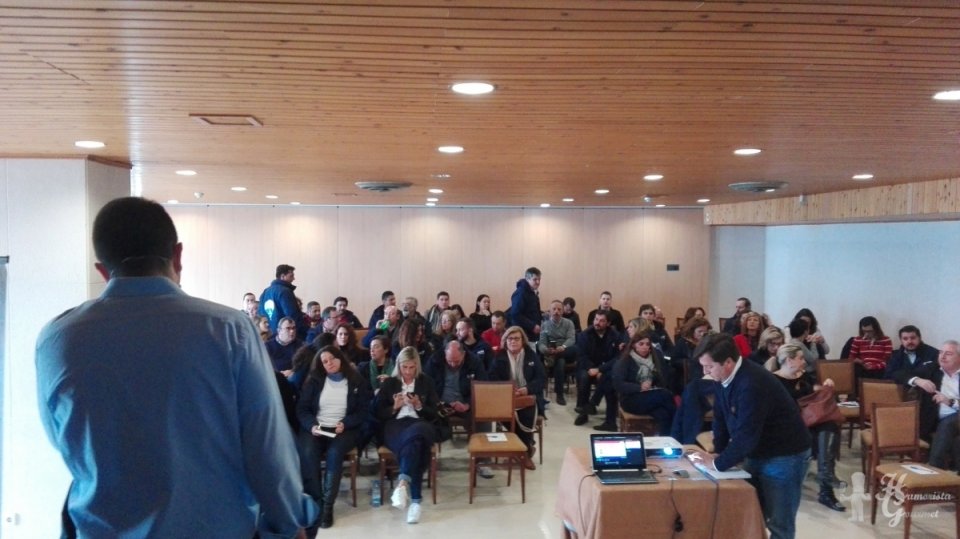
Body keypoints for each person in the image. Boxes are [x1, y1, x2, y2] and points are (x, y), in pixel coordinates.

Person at [35, 197, 316, 537]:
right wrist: (289, 521)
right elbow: (266, 447)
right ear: (178, 255)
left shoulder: (57, 339)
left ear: (102, 271)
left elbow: (66, 442)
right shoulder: (230, 330)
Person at [689, 334, 811, 539]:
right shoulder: (722, 377)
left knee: (780, 524)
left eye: (709, 367)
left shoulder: (752, 383)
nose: (705, 372)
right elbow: (720, 417)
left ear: (728, 362)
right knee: (751, 516)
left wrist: (717, 464)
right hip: (757, 451)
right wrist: (719, 452)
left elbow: (746, 436)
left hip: (786, 454)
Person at [296, 346, 371, 529]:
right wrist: (312, 425)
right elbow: (302, 409)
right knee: (308, 452)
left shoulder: (356, 380)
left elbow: (363, 412)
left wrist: (345, 423)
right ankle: (317, 502)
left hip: (344, 429)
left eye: (332, 359)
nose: (329, 363)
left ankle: (328, 505)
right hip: (317, 427)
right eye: (325, 361)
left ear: (340, 358)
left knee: (335, 453)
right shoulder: (314, 380)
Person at [772, 344, 845, 511]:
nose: (804, 362)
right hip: (789, 423)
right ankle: (826, 482)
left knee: (829, 427)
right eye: (800, 358)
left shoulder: (805, 376)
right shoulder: (773, 380)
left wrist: (825, 386)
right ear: (789, 360)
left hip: (811, 420)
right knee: (822, 432)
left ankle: (826, 487)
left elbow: (816, 397)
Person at [375, 346, 440, 524]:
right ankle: (415, 502)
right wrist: (394, 407)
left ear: (417, 366)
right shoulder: (390, 383)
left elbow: (434, 413)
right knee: (417, 446)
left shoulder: (426, 382)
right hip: (395, 425)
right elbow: (377, 412)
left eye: (412, 367)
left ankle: (403, 484)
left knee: (418, 434)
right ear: (399, 366)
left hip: (420, 423)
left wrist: (419, 406)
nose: (408, 372)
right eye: (405, 367)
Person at [894, 340, 960, 471]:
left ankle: (933, 468)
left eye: (948, 354)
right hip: (933, 418)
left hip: (956, 416)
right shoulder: (932, 369)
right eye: (941, 352)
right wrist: (918, 380)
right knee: (955, 441)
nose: (942, 356)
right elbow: (898, 374)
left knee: (948, 423)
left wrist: (951, 402)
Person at [489, 326, 546, 470]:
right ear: (505, 341)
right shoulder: (499, 356)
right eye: (510, 339)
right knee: (505, 415)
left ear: (523, 340)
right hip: (506, 396)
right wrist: (508, 388)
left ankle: (522, 451)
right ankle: (525, 451)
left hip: (528, 395)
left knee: (527, 414)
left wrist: (526, 389)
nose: (513, 341)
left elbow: (541, 378)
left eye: (516, 339)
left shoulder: (531, 355)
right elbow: (492, 378)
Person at [612, 331, 676, 435]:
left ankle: (668, 439)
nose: (645, 347)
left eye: (647, 344)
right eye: (641, 344)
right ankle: (680, 431)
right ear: (634, 345)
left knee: (663, 414)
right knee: (666, 395)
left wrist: (654, 383)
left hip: (651, 395)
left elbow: (663, 379)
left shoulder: (655, 358)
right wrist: (639, 387)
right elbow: (618, 384)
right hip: (631, 399)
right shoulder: (625, 360)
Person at [426, 340, 489, 441]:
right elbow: (427, 387)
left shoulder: (474, 362)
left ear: (463, 354)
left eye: (457, 361)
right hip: (441, 405)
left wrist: (467, 405)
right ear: (445, 354)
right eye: (449, 361)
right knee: (426, 416)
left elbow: (483, 389)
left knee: (483, 416)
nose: (453, 364)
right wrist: (441, 404)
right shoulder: (434, 361)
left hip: (466, 404)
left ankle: (479, 446)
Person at [574, 311, 621, 430]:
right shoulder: (584, 335)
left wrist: (600, 369)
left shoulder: (615, 335)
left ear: (608, 323)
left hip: (606, 368)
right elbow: (581, 356)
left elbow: (617, 357)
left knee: (609, 378)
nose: (597, 323)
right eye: (596, 319)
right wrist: (592, 369)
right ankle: (583, 412)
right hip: (588, 367)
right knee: (584, 377)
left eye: (601, 321)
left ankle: (608, 418)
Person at [538, 300, 577, 406]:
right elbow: (541, 343)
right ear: (550, 311)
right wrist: (546, 350)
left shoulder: (569, 323)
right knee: (560, 362)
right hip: (551, 352)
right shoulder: (545, 325)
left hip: (566, 351)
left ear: (563, 311)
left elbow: (571, 339)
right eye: (554, 309)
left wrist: (562, 347)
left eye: (559, 309)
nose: (556, 312)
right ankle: (559, 395)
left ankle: (556, 355)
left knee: (575, 348)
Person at [259, 263, 308, 338]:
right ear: (282, 276)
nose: (294, 279)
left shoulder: (265, 292)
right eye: (291, 276)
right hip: (284, 335)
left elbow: (260, 313)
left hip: (268, 335)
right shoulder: (285, 291)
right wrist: (305, 332)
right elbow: (292, 316)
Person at [844, 315, 893, 380]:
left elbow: (888, 359)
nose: (866, 334)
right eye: (864, 331)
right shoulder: (858, 340)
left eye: (870, 331)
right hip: (863, 368)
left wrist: (875, 367)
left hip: (879, 369)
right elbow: (851, 358)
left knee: (884, 371)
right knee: (856, 370)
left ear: (876, 329)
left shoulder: (885, 340)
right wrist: (860, 362)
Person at [508, 267, 542, 341]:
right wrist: (532, 326)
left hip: (530, 333)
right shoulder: (521, 293)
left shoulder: (532, 292)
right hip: (524, 333)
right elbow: (515, 314)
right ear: (527, 279)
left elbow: (531, 310)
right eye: (535, 279)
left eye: (539, 279)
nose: (538, 282)